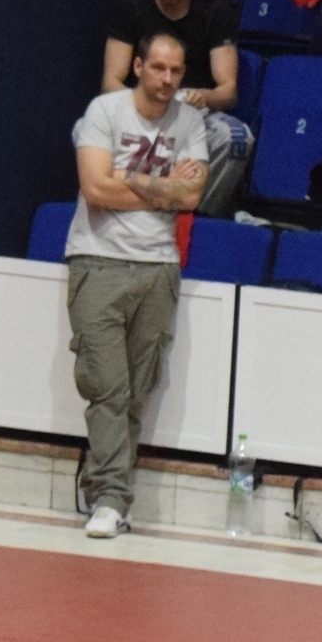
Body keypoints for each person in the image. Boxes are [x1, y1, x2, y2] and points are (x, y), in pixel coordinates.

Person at [65, 32, 206, 542]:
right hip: (97, 260)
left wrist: (129, 177)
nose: (167, 79)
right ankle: (110, 497)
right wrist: (165, 185)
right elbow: (95, 188)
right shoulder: (104, 111)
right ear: (139, 66)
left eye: (176, 71)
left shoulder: (191, 121)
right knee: (107, 387)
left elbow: (193, 195)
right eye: (158, 68)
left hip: (158, 267)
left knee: (135, 392)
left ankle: (107, 491)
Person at [101, 0, 246, 217]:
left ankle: (190, 215)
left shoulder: (214, 11)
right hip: (139, 108)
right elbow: (110, 82)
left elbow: (228, 90)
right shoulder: (132, 7)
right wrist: (143, 103)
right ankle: (137, 208)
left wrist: (202, 97)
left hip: (192, 110)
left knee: (236, 138)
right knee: (85, 129)